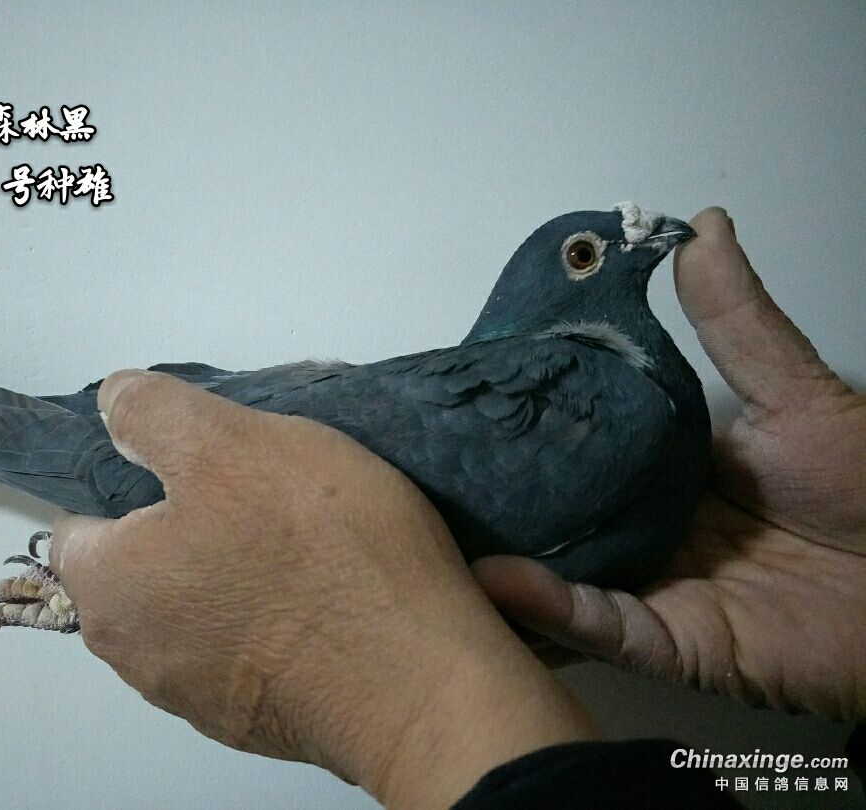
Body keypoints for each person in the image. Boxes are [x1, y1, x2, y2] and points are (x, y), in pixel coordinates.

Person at [51, 208, 865, 808]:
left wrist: (406, 719)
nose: (640, 240)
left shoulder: (631, 401)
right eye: (587, 255)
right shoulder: (606, 394)